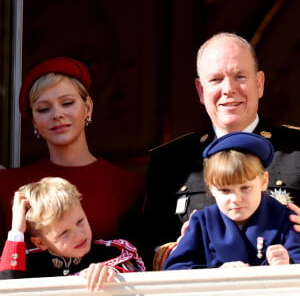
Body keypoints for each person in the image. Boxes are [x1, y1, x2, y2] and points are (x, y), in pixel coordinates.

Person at [144, 32, 300, 270]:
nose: (228, 89)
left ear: (259, 83)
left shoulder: (297, 149)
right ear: (200, 90)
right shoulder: (170, 161)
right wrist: (177, 249)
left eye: (240, 76)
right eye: (216, 79)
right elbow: (145, 245)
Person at [0, 57, 145, 250]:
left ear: (88, 107)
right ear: (34, 121)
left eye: (67, 103)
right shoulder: (7, 186)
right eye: (43, 109)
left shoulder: (129, 185)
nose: (57, 114)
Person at [164, 132, 300, 270]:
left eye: (245, 188)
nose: (236, 199)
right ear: (210, 188)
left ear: (264, 181)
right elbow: (175, 271)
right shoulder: (202, 222)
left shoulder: (285, 219)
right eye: (225, 190)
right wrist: (215, 275)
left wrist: (287, 264)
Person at [0, 177, 145, 291]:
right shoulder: (27, 262)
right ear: (40, 243)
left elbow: (142, 285)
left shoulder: (111, 253)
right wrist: (17, 231)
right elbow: (7, 288)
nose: (78, 235)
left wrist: (114, 276)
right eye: (63, 232)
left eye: (80, 221)